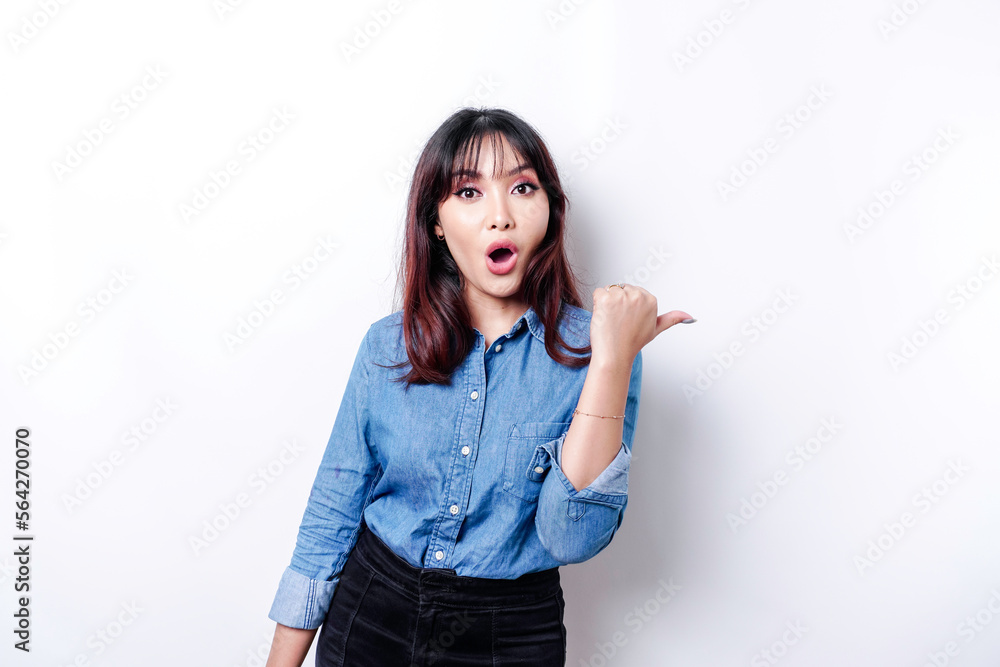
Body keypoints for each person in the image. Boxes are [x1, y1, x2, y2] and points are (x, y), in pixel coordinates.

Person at [264, 107, 694, 666]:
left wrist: (611, 359)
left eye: (521, 187)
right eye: (469, 193)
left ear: (550, 211)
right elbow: (332, 511)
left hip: (508, 636)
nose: (500, 216)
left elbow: (572, 537)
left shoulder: (603, 351)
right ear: (436, 221)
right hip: (372, 613)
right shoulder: (387, 346)